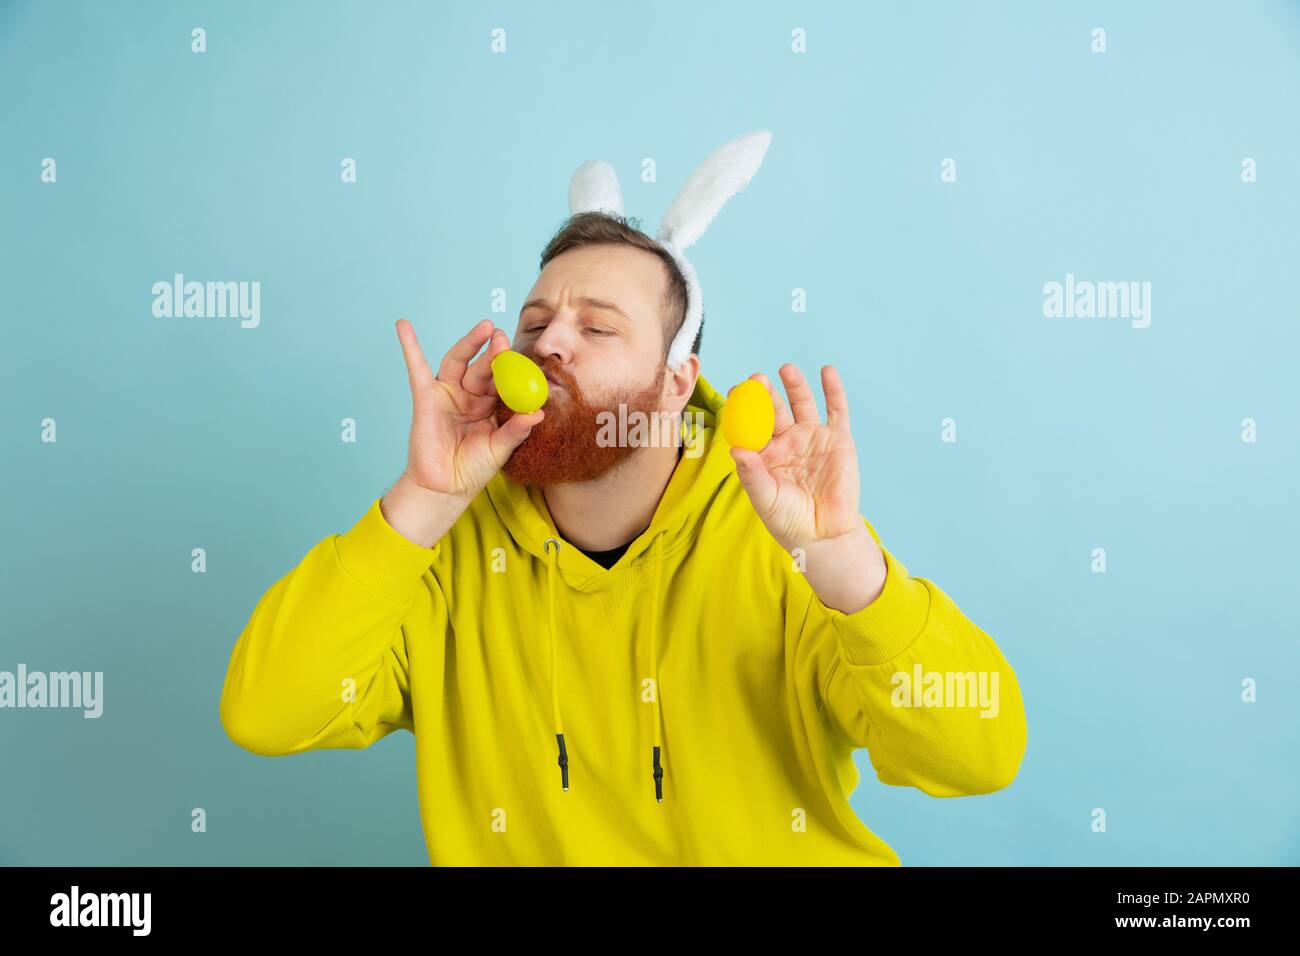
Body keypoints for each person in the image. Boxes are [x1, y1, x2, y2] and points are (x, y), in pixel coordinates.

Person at [219, 135, 1026, 866]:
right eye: (535, 323)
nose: (549, 344)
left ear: (676, 383)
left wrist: (845, 557)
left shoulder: (785, 540)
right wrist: (423, 499)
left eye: (597, 329)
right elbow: (267, 712)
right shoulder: (442, 550)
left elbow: (980, 754)